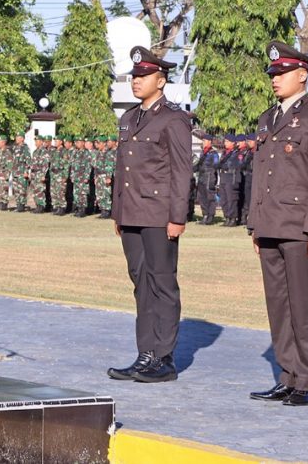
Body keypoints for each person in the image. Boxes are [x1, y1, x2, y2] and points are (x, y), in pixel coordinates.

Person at [246, 41, 308, 407]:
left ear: (302, 75)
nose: (275, 79)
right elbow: (260, 175)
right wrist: (255, 225)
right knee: (278, 305)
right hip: (270, 224)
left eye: (282, 73)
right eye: (273, 74)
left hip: (299, 227)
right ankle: (286, 376)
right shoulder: (267, 119)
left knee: (302, 305)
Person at [107, 46, 191, 384]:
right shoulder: (129, 119)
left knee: (162, 283)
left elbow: (181, 172)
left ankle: (164, 358)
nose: (136, 81)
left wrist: (178, 216)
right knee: (140, 284)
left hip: (159, 214)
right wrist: (118, 212)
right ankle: (145, 354)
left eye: (143, 76)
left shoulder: (174, 118)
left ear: (161, 79)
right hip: (131, 214)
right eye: (133, 76)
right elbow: (121, 170)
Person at [194, 134, 219, 224]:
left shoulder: (214, 153)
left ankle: (210, 216)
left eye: (205, 141)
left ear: (210, 142)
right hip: (201, 177)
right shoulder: (202, 153)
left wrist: (211, 174)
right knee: (201, 197)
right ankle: (205, 215)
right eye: (203, 140)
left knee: (210, 197)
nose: (203, 142)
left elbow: (216, 165)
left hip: (209, 177)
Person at [10, 134, 32, 213]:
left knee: (22, 190)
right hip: (15, 172)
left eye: (18, 137)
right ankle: (18, 204)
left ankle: (22, 206)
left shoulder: (25, 148)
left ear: (22, 139)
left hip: (22, 172)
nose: (16, 138)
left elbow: (28, 161)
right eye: (16, 137)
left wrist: (26, 171)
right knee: (16, 190)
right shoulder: (15, 148)